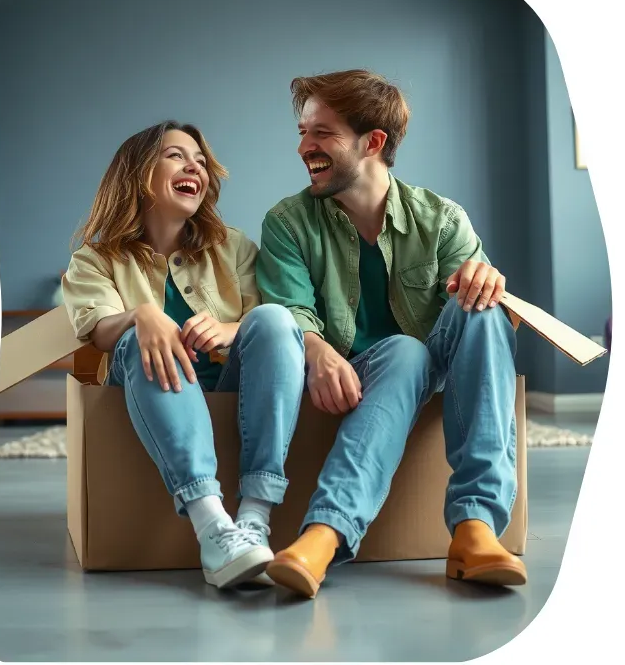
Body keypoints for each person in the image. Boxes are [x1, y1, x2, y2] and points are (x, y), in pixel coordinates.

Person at [256, 69, 526, 598]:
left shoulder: (442, 219)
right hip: (357, 378)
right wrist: (314, 350)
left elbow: (475, 324)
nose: (303, 146)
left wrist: (485, 278)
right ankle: (324, 534)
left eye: (321, 133)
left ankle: (475, 529)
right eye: (302, 132)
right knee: (403, 350)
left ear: (373, 142)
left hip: (439, 377)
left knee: (486, 308)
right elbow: (288, 311)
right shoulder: (288, 222)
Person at [62, 120, 305, 589]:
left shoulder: (233, 247)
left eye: (200, 160)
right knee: (143, 338)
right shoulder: (94, 260)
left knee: (277, 321)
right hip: (144, 391)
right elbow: (99, 331)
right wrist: (142, 315)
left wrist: (228, 330)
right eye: (176, 155)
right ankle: (214, 528)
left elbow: (264, 322)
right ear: (137, 174)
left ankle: (254, 518)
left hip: (232, 390)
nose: (194, 165)